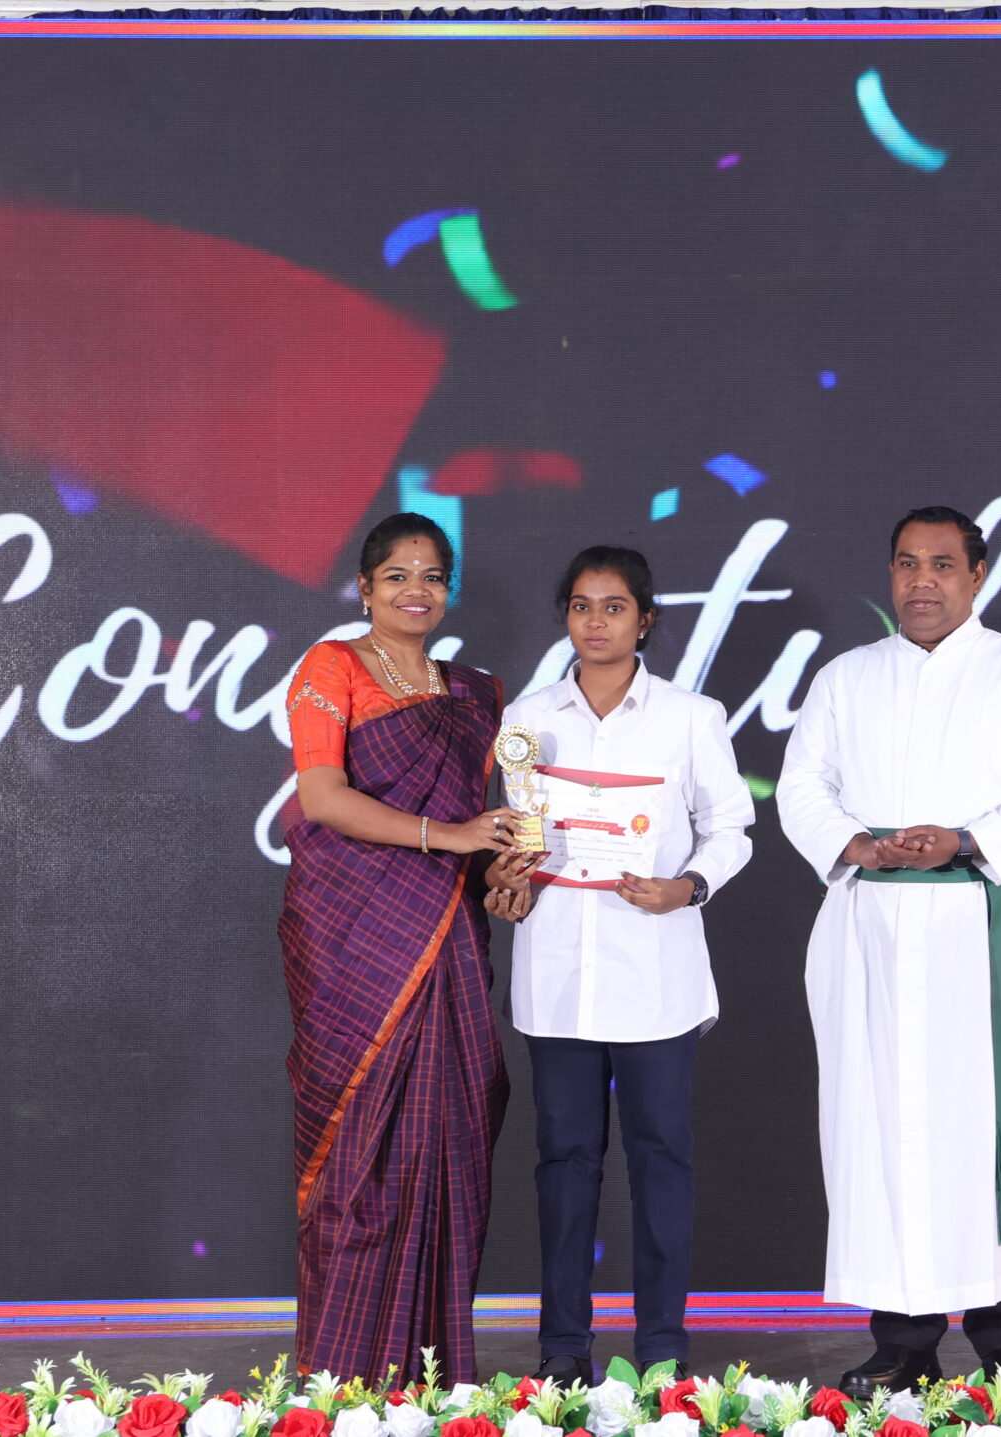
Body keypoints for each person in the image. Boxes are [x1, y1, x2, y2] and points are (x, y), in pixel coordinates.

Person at [774, 505, 1001, 1394]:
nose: (922, 581)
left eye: (942, 564)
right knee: (886, 1127)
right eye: (907, 563)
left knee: (993, 1129)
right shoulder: (846, 677)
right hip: (873, 926)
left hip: (986, 925)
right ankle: (902, 1340)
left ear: (977, 575)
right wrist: (856, 842)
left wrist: (965, 839)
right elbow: (802, 789)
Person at [485, 546, 755, 1386]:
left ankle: (663, 1347)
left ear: (645, 619)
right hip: (559, 977)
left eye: (613, 606)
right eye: (581, 605)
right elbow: (519, 837)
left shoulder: (689, 716)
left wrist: (688, 886)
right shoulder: (529, 717)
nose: (595, 622)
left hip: (655, 977)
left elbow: (733, 827)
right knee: (563, 1165)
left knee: (661, 1160)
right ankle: (564, 1347)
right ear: (564, 615)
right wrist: (507, 876)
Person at [278, 512, 535, 1383]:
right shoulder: (332, 667)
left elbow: (488, 828)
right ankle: (339, 1375)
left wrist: (504, 872)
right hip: (355, 935)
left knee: (447, 1140)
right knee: (357, 1157)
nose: (415, 590)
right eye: (396, 575)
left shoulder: (479, 693)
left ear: (448, 588)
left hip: (448, 935)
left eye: (431, 575)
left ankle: (432, 1374)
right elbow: (322, 797)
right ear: (365, 587)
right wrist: (450, 835)